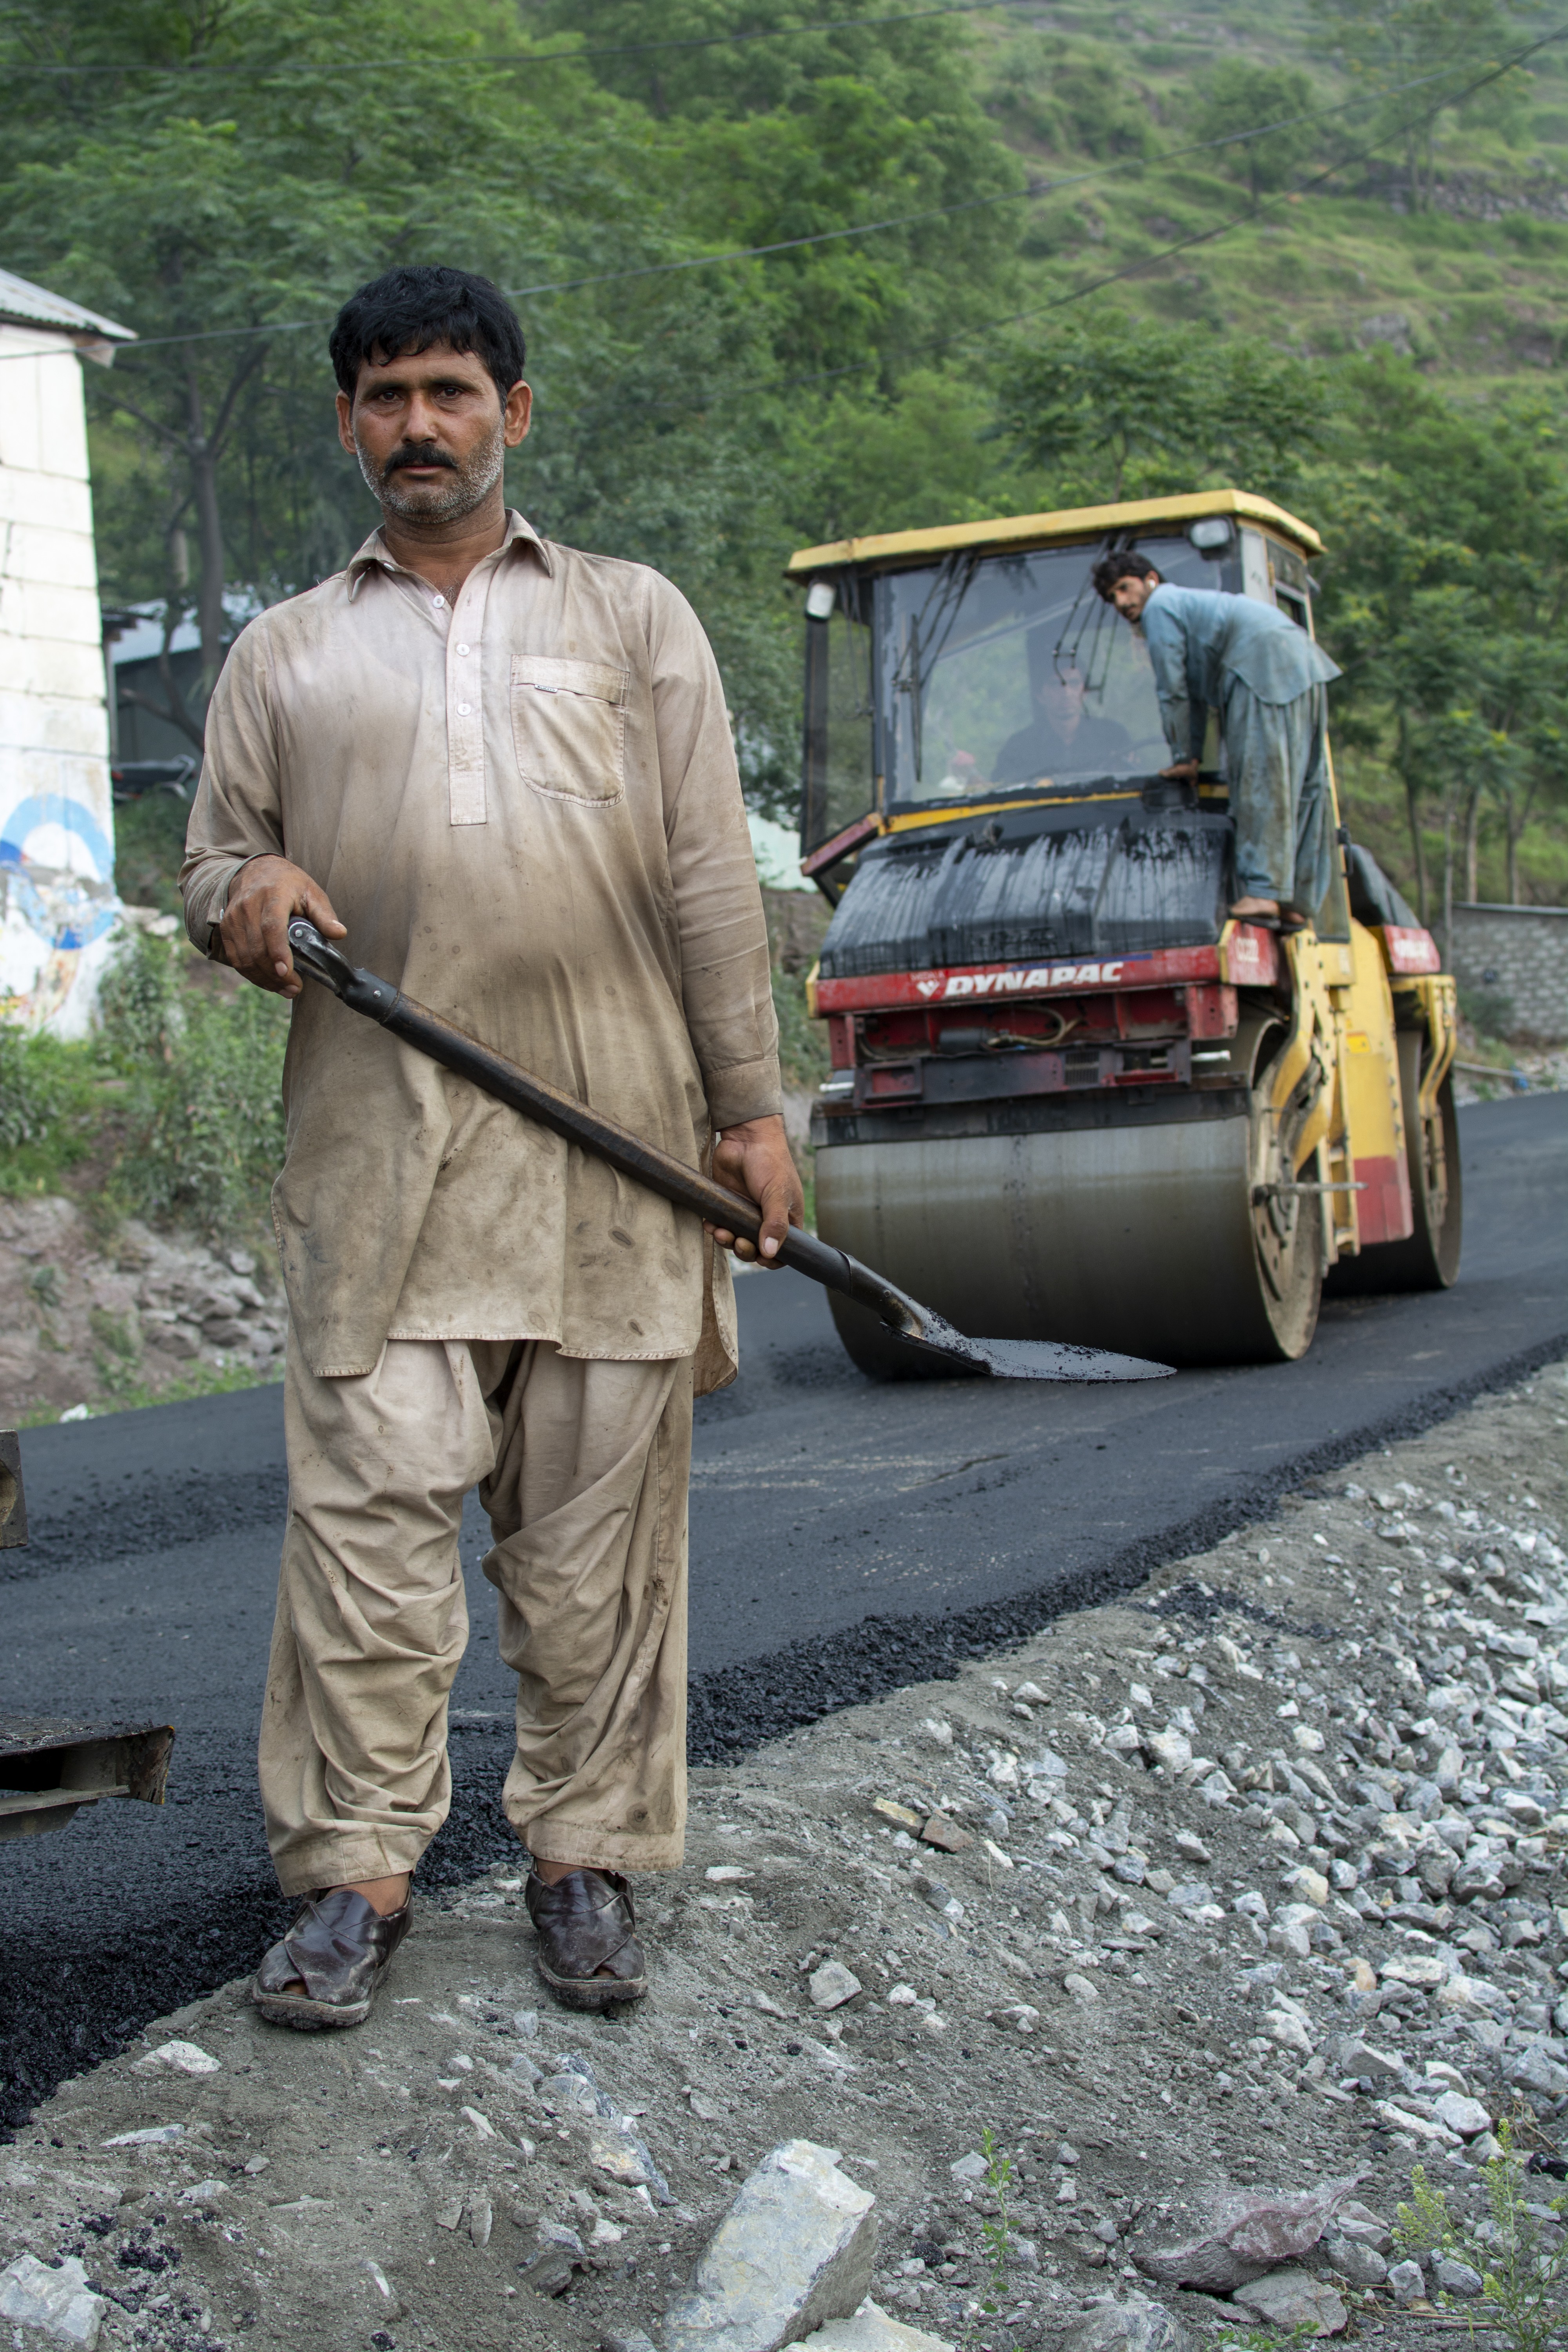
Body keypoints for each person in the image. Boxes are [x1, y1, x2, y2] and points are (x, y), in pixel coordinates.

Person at [178, 263, 801, 2028]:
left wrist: (748, 1106)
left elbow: (701, 875)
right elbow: (213, 866)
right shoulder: (283, 650)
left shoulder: (628, 619)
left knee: (595, 1541)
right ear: (348, 423)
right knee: (365, 1529)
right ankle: (352, 1878)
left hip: (615, 1143)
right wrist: (250, 894)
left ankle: (585, 1861)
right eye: (384, 398)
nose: (418, 427)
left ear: (512, 414)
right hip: (381, 1160)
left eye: (449, 392)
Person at [1091, 551, 1341, 926]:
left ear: (1150, 579)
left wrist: (1182, 755)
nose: (1123, 603)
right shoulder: (1190, 607)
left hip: (1259, 662)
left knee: (1259, 775)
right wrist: (1189, 755)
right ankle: (1298, 900)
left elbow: (1172, 690)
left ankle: (1262, 891)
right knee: (1305, 783)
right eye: (1113, 598)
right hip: (1302, 661)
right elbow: (1191, 693)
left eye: (1125, 588)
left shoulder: (1161, 607)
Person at [989, 628, 1131, 784]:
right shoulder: (1019, 748)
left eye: (1074, 683)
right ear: (1040, 695)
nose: (1066, 693)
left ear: (1085, 692)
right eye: (1055, 684)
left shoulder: (1113, 736)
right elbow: (1001, 791)